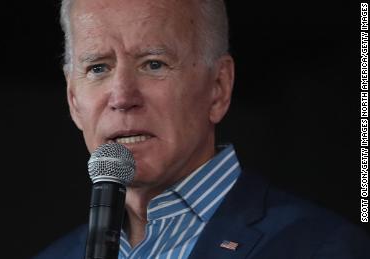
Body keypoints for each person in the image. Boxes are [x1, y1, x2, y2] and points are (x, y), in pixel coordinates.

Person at [35, 0, 370, 258]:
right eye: (97, 68)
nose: (122, 97)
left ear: (218, 87)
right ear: (73, 100)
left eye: (154, 64)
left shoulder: (322, 247)